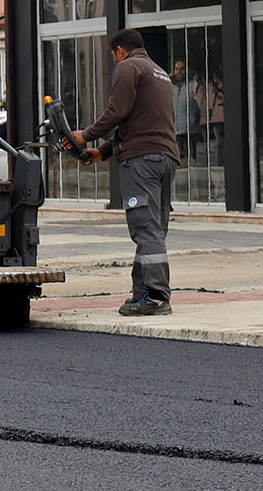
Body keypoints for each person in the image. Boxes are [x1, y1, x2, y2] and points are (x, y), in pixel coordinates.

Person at [65, 28, 181, 316]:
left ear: (119, 51)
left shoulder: (128, 67)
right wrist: (102, 152)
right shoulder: (159, 72)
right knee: (154, 228)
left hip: (142, 161)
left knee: (145, 226)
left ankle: (155, 296)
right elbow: (138, 121)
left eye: (113, 56)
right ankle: (142, 292)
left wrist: (86, 136)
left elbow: (116, 112)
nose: (114, 61)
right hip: (165, 159)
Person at [173, 58, 200, 162]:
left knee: (190, 160)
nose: (178, 72)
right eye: (176, 69)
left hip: (189, 130)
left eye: (182, 69)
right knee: (177, 161)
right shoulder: (171, 87)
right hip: (175, 130)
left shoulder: (192, 85)